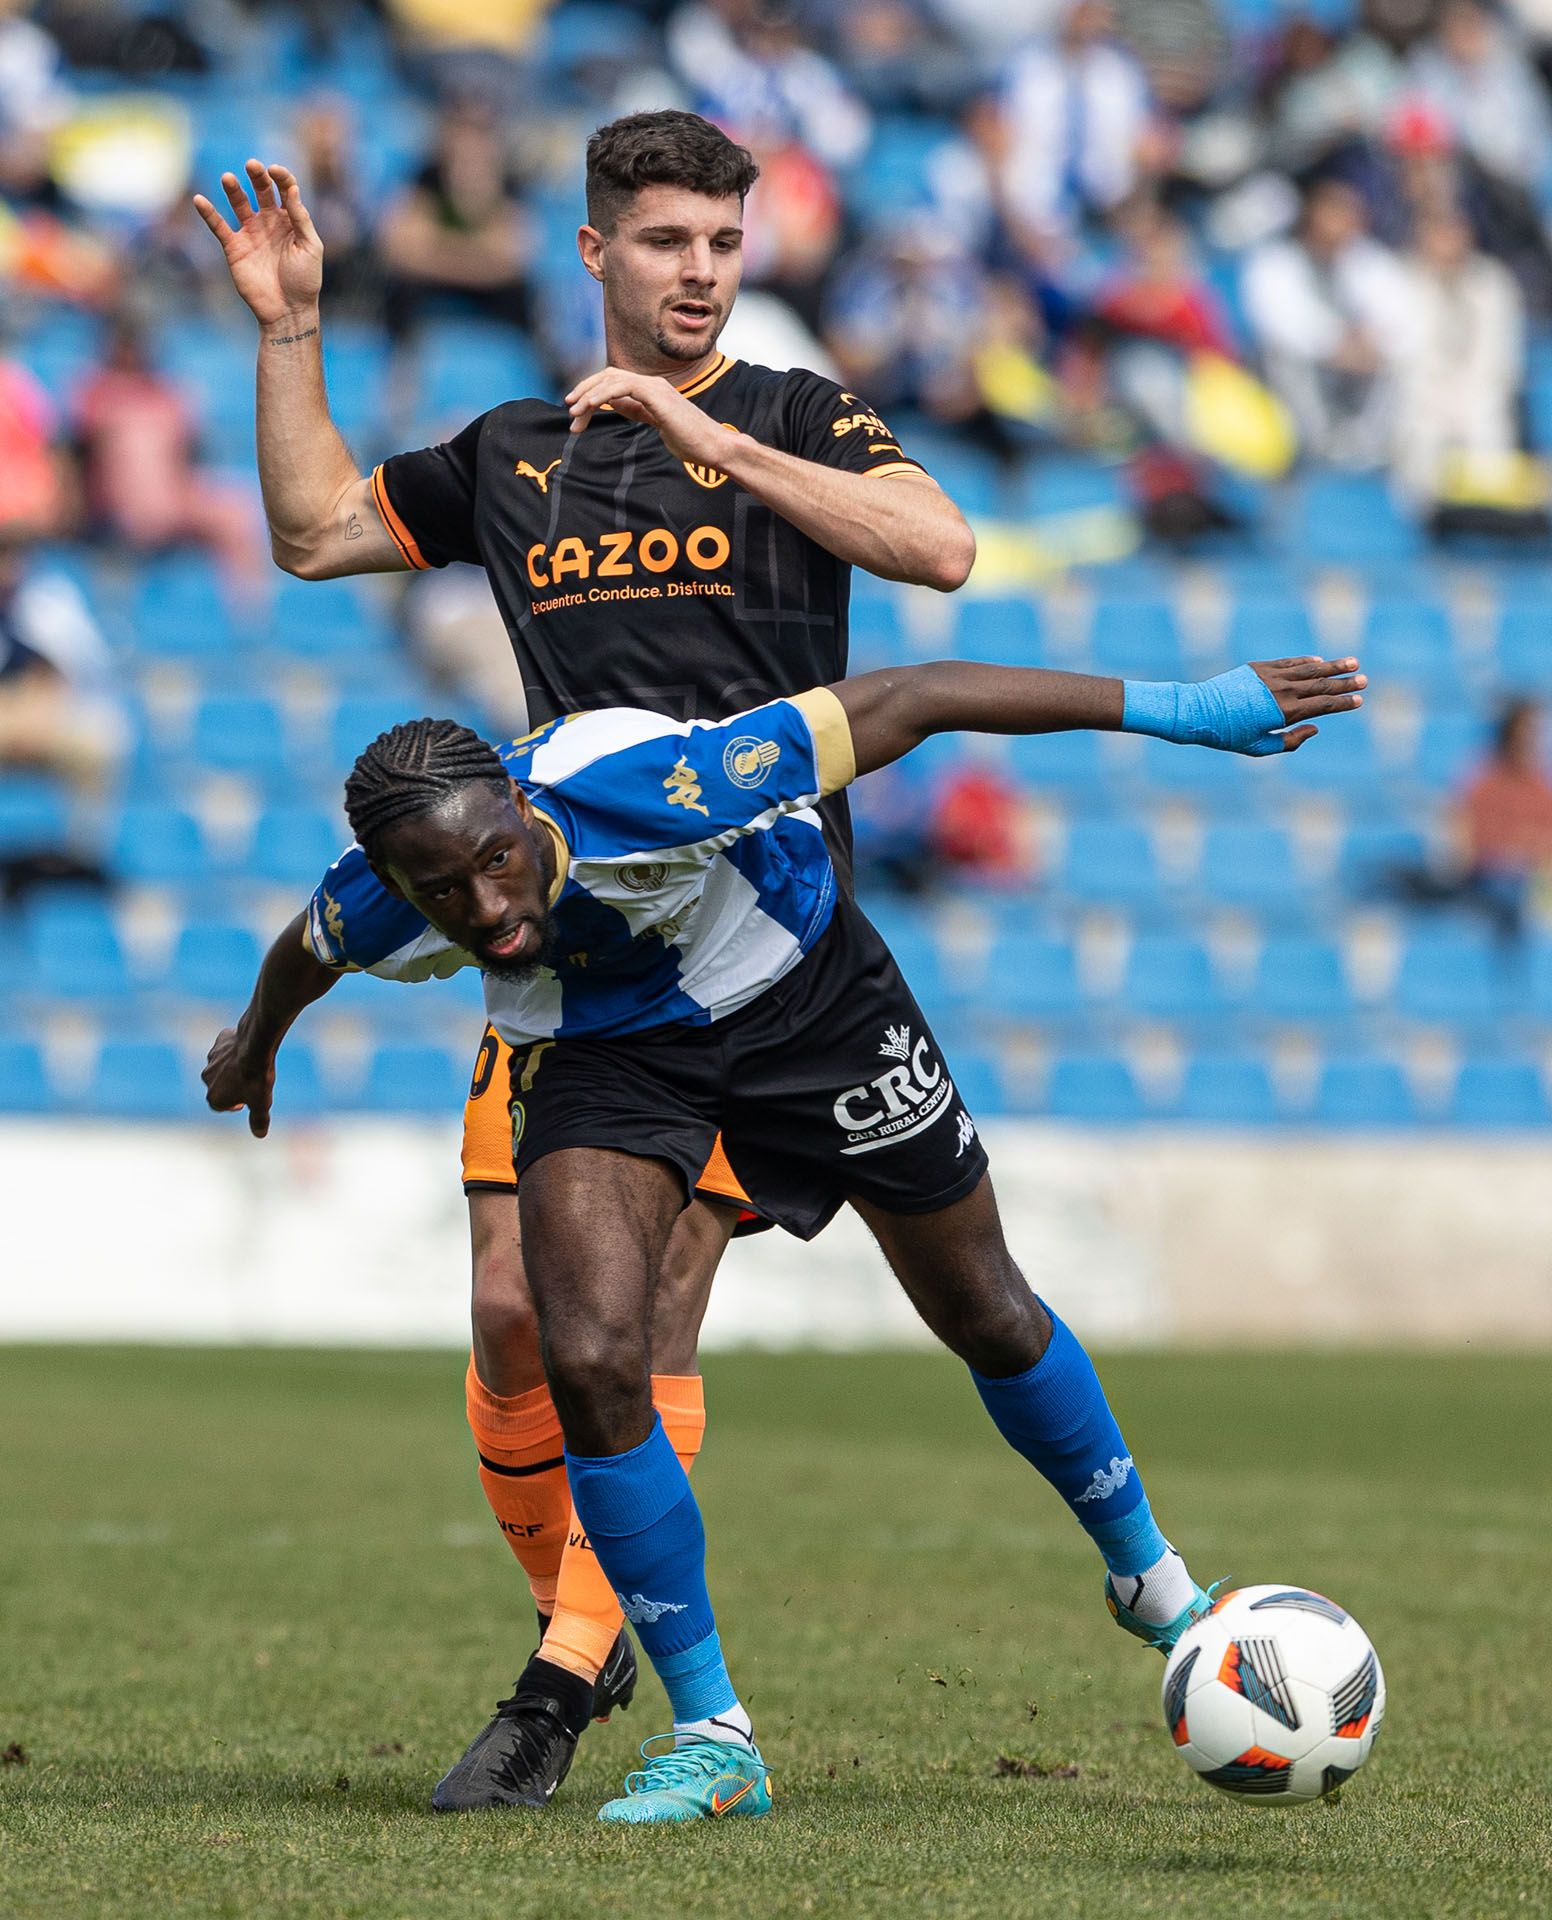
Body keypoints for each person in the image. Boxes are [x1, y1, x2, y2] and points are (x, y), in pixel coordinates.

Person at [203, 647, 1367, 1824]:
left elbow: (914, 699)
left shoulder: (648, 784)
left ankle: (1153, 1584)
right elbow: (302, 955)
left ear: (518, 804)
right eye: (442, 892)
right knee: (595, 1357)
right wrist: (254, 1043)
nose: (487, 910)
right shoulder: (376, 901)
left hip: (811, 1003)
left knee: (983, 1310)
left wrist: (1184, 707)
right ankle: (714, 1737)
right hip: (613, 1059)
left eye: (497, 863)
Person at [191, 108, 975, 1809]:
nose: (700, 273)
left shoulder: (789, 413)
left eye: (722, 245)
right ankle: (597, 1630)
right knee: (504, 1318)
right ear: (596, 255)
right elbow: (317, 532)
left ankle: (566, 1687)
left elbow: (935, 549)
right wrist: (290, 331)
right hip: (554, 937)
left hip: (749, 954)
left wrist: (716, 439)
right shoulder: (516, 450)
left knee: (640, 1319)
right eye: (667, 244)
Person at [1242, 177, 1413, 471]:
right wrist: (1337, 344)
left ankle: (1368, 453)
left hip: (1362, 372)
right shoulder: (1275, 261)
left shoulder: (1372, 262)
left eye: (1350, 213)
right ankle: (1311, 449)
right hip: (1302, 375)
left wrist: (1371, 345)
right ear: (1312, 213)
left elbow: (1405, 324)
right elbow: (1282, 328)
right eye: (1334, 211)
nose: (1342, 222)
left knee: (1404, 367)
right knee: (1286, 360)